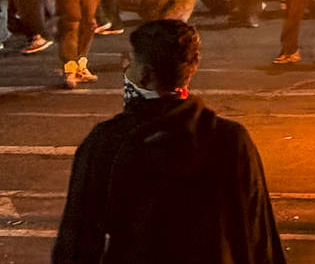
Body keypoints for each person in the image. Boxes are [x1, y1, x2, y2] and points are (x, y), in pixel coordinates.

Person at [53, 20, 285, 263]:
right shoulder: (231, 140)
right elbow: (257, 234)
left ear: (145, 74)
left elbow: (78, 240)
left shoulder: (109, 142)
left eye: (131, 62)